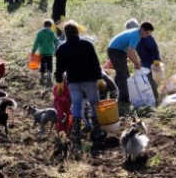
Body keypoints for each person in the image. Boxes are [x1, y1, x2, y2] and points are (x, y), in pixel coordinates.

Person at [55, 20, 107, 152]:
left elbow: (59, 68)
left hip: (73, 82)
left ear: (66, 34)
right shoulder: (87, 45)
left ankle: (76, 134)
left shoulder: (61, 49)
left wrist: (60, 83)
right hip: (89, 80)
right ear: (77, 31)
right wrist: (99, 79)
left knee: (77, 105)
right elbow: (95, 63)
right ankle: (97, 132)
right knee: (95, 103)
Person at [107, 22, 155, 114]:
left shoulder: (137, 34)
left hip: (119, 50)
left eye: (150, 34)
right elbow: (130, 53)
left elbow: (131, 51)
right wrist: (137, 63)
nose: (148, 35)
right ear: (142, 29)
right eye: (148, 33)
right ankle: (124, 99)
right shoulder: (136, 35)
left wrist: (136, 61)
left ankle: (114, 93)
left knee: (120, 73)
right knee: (124, 75)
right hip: (115, 51)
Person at [31, 19, 60, 86]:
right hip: (50, 52)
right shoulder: (52, 33)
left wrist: (33, 51)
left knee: (42, 64)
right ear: (50, 26)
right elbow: (56, 41)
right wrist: (56, 48)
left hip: (42, 52)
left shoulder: (40, 33)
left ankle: (42, 76)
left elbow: (36, 43)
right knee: (49, 64)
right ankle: (49, 75)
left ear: (44, 25)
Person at [136, 32, 161, 101]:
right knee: (148, 80)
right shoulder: (137, 37)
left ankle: (156, 98)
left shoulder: (145, 37)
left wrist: (156, 62)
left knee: (151, 80)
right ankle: (154, 96)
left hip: (150, 62)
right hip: (144, 62)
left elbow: (154, 49)